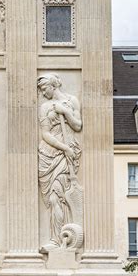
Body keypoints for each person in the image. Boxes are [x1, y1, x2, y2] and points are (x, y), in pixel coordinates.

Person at [37, 73, 82, 252]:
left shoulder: (72, 101)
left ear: (53, 86)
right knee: (51, 199)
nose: (42, 92)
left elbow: (77, 125)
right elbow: (45, 134)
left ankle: (58, 240)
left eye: (43, 88)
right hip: (50, 152)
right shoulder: (44, 107)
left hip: (66, 156)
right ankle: (57, 238)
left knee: (58, 197)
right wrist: (64, 147)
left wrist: (66, 113)